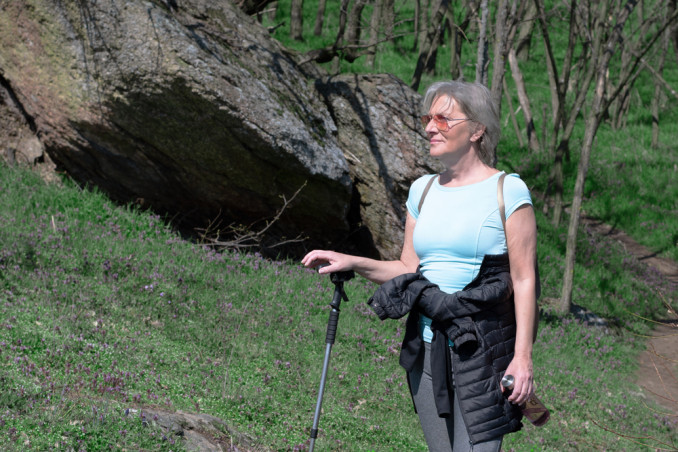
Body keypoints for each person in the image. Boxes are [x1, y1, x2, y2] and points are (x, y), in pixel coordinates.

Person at [301, 80, 538, 451]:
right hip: (425, 351)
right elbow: (408, 269)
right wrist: (354, 261)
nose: (429, 127)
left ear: (477, 129)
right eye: (428, 117)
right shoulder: (423, 190)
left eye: (443, 119)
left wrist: (522, 360)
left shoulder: (507, 191)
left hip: (483, 353)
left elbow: (524, 280)